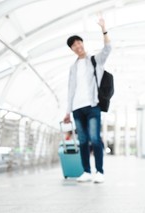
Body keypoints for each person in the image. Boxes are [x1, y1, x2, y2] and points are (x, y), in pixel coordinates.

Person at [63, 16, 111, 183]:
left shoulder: (94, 60)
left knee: (95, 139)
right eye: (74, 45)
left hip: (92, 106)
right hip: (77, 108)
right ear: (72, 49)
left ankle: (100, 171)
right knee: (83, 141)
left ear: (82, 43)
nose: (77, 46)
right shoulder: (73, 67)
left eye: (79, 42)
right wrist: (68, 111)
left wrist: (103, 29)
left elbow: (108, 48)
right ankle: (86, 171)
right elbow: (71, 89)